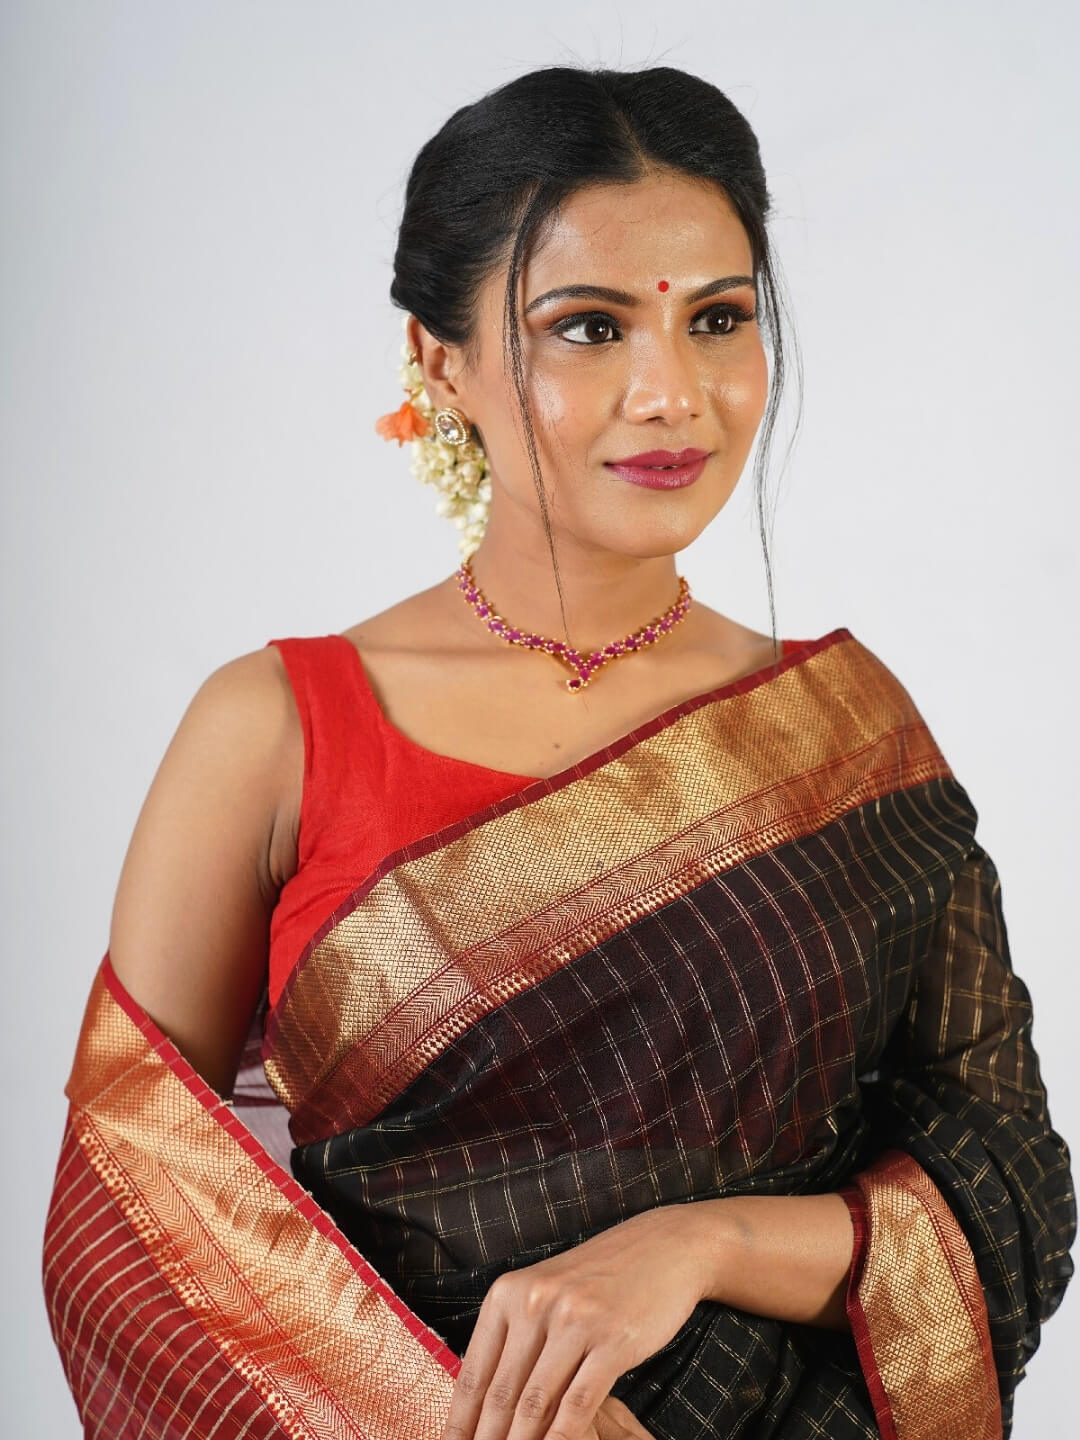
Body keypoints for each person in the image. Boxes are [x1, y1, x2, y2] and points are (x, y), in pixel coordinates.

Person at [42, 63, 1074, 1440]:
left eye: (719, 319)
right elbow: (133, 1233)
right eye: (588, 328)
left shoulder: (844, 729)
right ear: (440, 363)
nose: (673, 394)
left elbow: (1005, 1182)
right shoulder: (274, 730)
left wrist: (697, 1247)